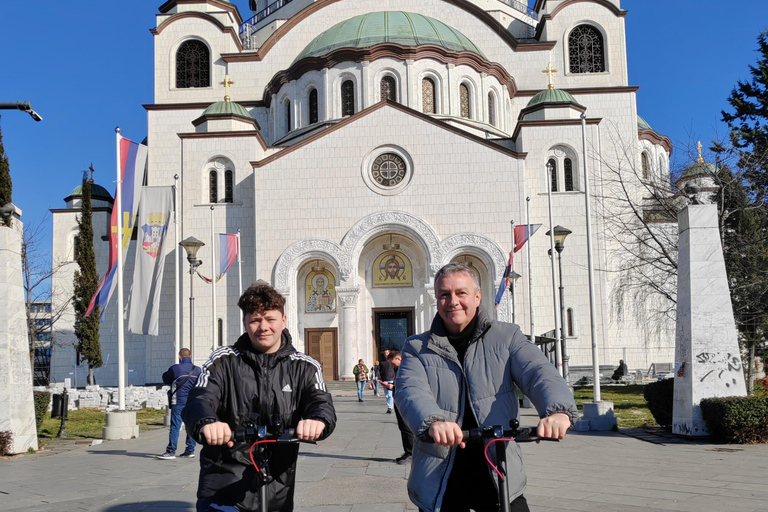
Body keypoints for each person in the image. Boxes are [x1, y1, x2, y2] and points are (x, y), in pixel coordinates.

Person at [394, 263, 578, 512]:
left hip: (498, 468)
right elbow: (409, 390)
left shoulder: (507, 337)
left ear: (477, 297)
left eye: (461, 293)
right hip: (440, 473)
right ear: (437, 300)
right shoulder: (416, 347)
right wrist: (433, 422)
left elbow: (538, 373)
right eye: (444, 295)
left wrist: (558, 411)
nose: (453, 301)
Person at [183, 283, 337, 512]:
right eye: (255, 320)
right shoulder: (223, 361)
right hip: (224, 481)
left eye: (270, 319)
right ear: (245, 323)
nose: (263, 327)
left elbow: (319, 400)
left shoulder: (305, 367)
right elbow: (201, 397)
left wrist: (318, 420)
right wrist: (208, 422)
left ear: (283, 320)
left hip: (277, 482)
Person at [156, 347, 201, 460]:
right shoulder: (197, 370)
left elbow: (165, 379)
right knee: (190, 426)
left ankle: (171, 451)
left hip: (179, 401)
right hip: (193, 402)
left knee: (175, 426)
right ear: (190, 356)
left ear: (180, 357)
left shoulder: (176, 368)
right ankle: (190, 450)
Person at [384, 350, 414, 465]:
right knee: (402, 427)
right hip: (399, 399)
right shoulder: (399, 369)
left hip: (405, 401)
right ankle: (408, 452)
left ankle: (411, 453)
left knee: (406, 427)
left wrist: (393, 386)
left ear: (399, 359)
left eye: (392, 363)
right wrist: (392, 386)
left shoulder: (408, 368)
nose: (391, 366)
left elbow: (408, 383)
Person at [379, 348, 395, 413]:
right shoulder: (382, 362)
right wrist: (379, 378)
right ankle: (390, 405)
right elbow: (379, 371)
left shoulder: (392, 361)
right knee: (387, 395)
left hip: (391, 379)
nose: (386, 354)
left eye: (387, 353)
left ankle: (390, 407)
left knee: (390, 394)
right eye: (385, 353)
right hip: (384, 380)